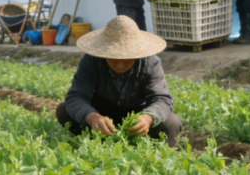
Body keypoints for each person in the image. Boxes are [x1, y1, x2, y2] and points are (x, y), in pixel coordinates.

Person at [56, 15, 183, 146]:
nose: (120, 65)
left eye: (127, 59)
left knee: (172, 122)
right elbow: (75, 97)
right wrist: (92, 117)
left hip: (137, 118)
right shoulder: (91, 61)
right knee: (63, 109)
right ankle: (88, 142)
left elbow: (162, 99)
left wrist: (147, 118)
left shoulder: (150, 63)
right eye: (114, 58)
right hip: (101, 115)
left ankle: (166, 157)